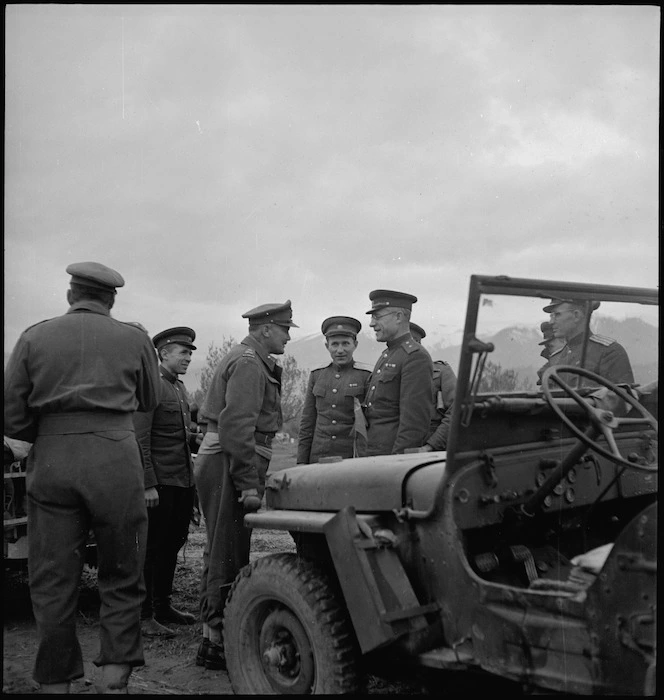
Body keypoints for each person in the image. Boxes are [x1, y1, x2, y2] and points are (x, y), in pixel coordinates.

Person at [3, 262, 160, 694]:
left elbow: (12, 414)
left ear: (71, 295)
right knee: (122, 567)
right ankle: (116, 675)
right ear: (110, 300)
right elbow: (149, 397)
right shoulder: (135, 338)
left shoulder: (34, 336)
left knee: (52, 576)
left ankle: (56, 680)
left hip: (53, 460)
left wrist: (51, 434)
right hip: (116, 459)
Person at [194, 300, 297, 671]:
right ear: (266, 329)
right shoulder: (250, 364)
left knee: (220, 548)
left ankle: (212, 636)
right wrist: (248, 484)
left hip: (226, 459)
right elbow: (237, 427)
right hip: (230, 460)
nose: (287, 336)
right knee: (227, 552)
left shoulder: (249, 359)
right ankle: (217, 640)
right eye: (285, 329)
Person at [134, 327, 199, 639]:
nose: (187, 358)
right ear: (163, 353)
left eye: (189, 353)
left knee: (173, 542)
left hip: (180, 481)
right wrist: (147, 483)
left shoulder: (179, 388)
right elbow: (140, 438)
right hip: (159, 483)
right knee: (152, 547)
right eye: (182, 352)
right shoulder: (152, 387)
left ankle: (163, 606)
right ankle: (144, 615)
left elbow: (178, 438)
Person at [363, 290, 433, 455]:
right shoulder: (387, 355)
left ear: (399, 317)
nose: (372, 324)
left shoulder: (415, 357)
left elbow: (414, 425)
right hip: (374, 453)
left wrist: (397, 464)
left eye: (377, 316)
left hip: (390, 460)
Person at [297, 316, 372, 464]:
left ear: (355, 345)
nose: (340, 350)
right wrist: (301, 461)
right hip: (319, 456)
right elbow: (307, 422)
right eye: (334, 344)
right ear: (327, 346)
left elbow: (370, 423)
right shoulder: (317, 375)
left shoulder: (366, 376)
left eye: (345, 344)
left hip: (351, 456)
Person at [543, 298, 634, 386]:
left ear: (576, 316)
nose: (551, 322)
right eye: (551, 316)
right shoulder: (556, 358)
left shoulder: (609, 352)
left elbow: (621, 397)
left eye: (557, 315)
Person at [409, 322, 456, 452]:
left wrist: (431, 446)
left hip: (431, 449)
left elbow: (456, 411)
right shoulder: (390, 374)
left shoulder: (440, 372)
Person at [536, 320, 566, 385]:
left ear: (564, 342)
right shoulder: (551, 363)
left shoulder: (575, 361)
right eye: (546, 346)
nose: (549, 350)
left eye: (550, 346)